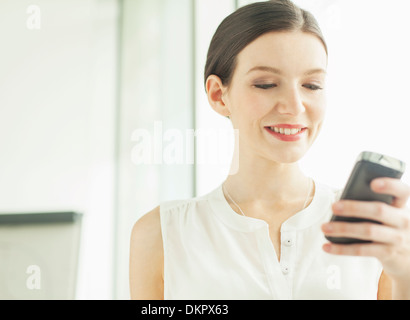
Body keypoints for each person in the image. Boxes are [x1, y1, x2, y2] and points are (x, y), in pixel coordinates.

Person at [129, 0, 410, 300]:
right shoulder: (162, 234)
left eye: (312, 85)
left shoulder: (372, 230)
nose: (294, 105)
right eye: (265, 84)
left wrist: (405, 273)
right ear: (218, 95)